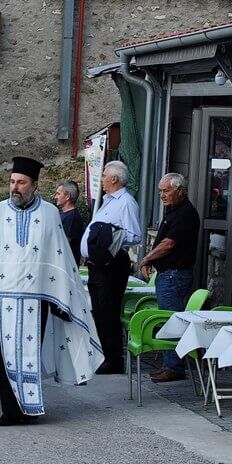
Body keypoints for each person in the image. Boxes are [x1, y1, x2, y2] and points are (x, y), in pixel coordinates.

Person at [0, 157, 100, 426]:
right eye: (12, 181)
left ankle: (29, 407)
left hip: (36, 298)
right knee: (2, 356)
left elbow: (59, 255)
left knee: (29, 354)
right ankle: (10, 410)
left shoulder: (49, 213)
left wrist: (62, 295)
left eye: (21, 182)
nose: (15, 187)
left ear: (34, 185)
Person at [139, 173, 200, 383]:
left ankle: (174, 366)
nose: (162, 195)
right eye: (160, 191)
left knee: (171, 319)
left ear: (180, 191)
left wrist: (146, 258)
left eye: (166, 191)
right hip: (169, 274)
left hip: (174, 275)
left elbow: (168, 244)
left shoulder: (186, 213)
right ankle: (169, 364)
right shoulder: (173, 211)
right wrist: (150, 260)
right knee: (169, 319)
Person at [82, 160, 142, 374]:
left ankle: (113, 359)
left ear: (114, 178)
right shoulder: (108, 201)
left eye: (104, 175)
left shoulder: (126, 202)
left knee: (108, 310)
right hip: (97, 264)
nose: (102, 179)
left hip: (112, 263)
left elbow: (135, 235)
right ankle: (103, 355)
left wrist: (110, 239)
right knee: (98, 310)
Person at [54, 180, 86, 266]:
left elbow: (62, 244)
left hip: (65, 266)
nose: (55, 197)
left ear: (67, 196)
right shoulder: (64, 215)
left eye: (58, 194)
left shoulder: (72, 217)